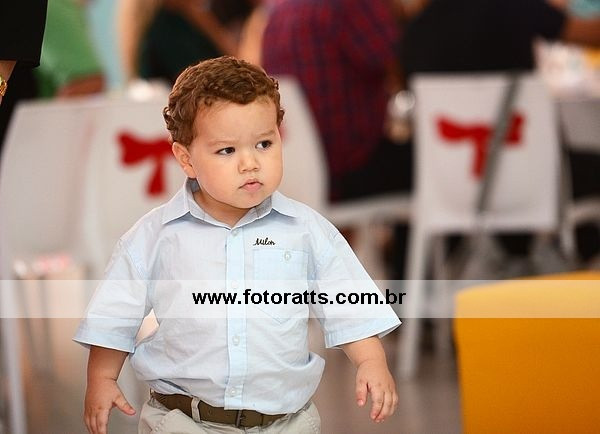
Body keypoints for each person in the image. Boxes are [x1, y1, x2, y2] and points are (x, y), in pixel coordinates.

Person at [74, 56, 400, 434]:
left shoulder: (307, 231)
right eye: (227, 151)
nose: (250, 163)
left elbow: (349, 302)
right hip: (184, 421)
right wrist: (102, 378)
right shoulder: (154, 237)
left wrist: (371, 361)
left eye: (264, 143)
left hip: (286, 423)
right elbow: (114, 314)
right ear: (186, 159)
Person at [261, 0, 410, 203]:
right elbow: (397, 56)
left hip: (295, 173)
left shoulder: (277, 12)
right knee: (430, 159)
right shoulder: (350, 5)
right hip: (351, 165)